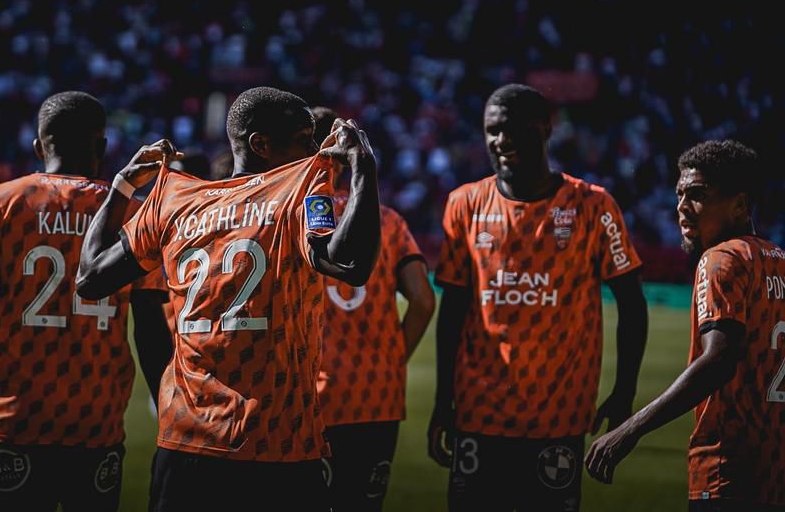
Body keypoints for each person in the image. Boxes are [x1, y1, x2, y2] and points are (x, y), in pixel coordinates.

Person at [75, 86, 381, 512]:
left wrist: (120, 188)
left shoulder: (176, 199)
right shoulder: (300, 189)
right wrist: (363, 165)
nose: (315, 149)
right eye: (304, 138)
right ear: (261, 145)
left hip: (185, 439)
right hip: (277, 441)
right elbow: (349, 264)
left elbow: (89, 278)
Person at [0, 91, 171, 512]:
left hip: (14, 420)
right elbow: (150, 327)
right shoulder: (133, 216)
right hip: (96, 422)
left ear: (40, 146)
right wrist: (168, 417)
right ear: (102, 145)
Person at [427, 83, 649, 511]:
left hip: (559, 415)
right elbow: (451, 309)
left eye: (513, 128)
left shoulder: (594, 206)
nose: (501, 140)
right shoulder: (465, 204)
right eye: (492, 130)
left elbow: (632, 302)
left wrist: (624, 391)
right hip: (479, 412)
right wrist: (442, 401)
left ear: (546, 129)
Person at [586, 140, 785, 511]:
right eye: (679, 194)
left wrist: (630, 430)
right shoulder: (778, 260)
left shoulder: (721, 260)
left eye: (698, 195)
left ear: (740, 205)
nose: (681, 207)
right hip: (774, 474)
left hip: (727, 469)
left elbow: (718, 360)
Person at [310, 107, 436, 511]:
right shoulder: (387, 220)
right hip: (377, 395)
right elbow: (422, 300)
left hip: (310, 397)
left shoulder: (294, 216)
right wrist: (393, 358)